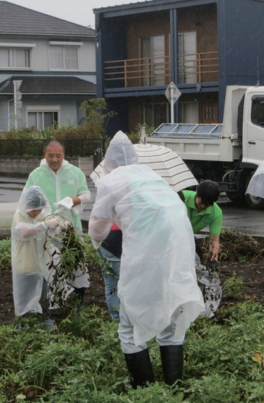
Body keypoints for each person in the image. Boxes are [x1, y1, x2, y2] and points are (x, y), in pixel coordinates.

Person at [88, 131, 204, 388]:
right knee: (171, 320)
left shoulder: (111, 180)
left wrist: (96, 242)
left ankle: (144, 391)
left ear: (108, 162)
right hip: (179, 253)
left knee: (129, 327)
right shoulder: (154, 176)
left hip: (144, 255)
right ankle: (174, 389)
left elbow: (97, 228)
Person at [24, 138, 91, 309]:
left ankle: (78, 304)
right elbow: (27, 200)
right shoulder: (36, 175)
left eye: (58, 156)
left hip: (71, 228)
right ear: (44, 154)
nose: (54, 160)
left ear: (64, 155)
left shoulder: (75, 172)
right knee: (49, 266)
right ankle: (49, 306)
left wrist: (72, 200)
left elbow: (86, 195)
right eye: (51, 156)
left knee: (77, 264)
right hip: (46, 229)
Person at [11, 186, 68, 322]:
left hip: (43, 264)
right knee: (25, 298)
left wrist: (60, 226)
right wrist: (44, 225)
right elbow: (24, 232)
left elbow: (50, 232)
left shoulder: (43, 215)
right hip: (25, 265)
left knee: (44, 295)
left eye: (39, 209)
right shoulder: (19, 215)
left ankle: (44, 322)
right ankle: (24, 324)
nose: (37, 213)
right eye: (33, 210)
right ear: (26, 206)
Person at [180, 180, 223, 316]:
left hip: (187, 236)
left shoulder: (215, 212)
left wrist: (213, 259)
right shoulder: (181, 198)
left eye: (207, 204)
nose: (203, 206)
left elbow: (214, 239)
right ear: (196, 194)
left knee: (196, 261)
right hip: (169, 234)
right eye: (201, 201)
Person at [99, 224, 122, 320]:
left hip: (102, 241)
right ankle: (131, 320)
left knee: (111, 285)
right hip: (116, 240)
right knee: (129, 283)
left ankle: (115, 316)